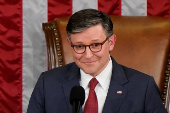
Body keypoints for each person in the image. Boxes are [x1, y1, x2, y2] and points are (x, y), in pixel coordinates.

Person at [27, 9, 167, 113]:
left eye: (95, 45)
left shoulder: (143, 87)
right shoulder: (48, 83)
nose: (88, 55)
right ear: (70, 43)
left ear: (111, 42)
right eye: (80, 46)